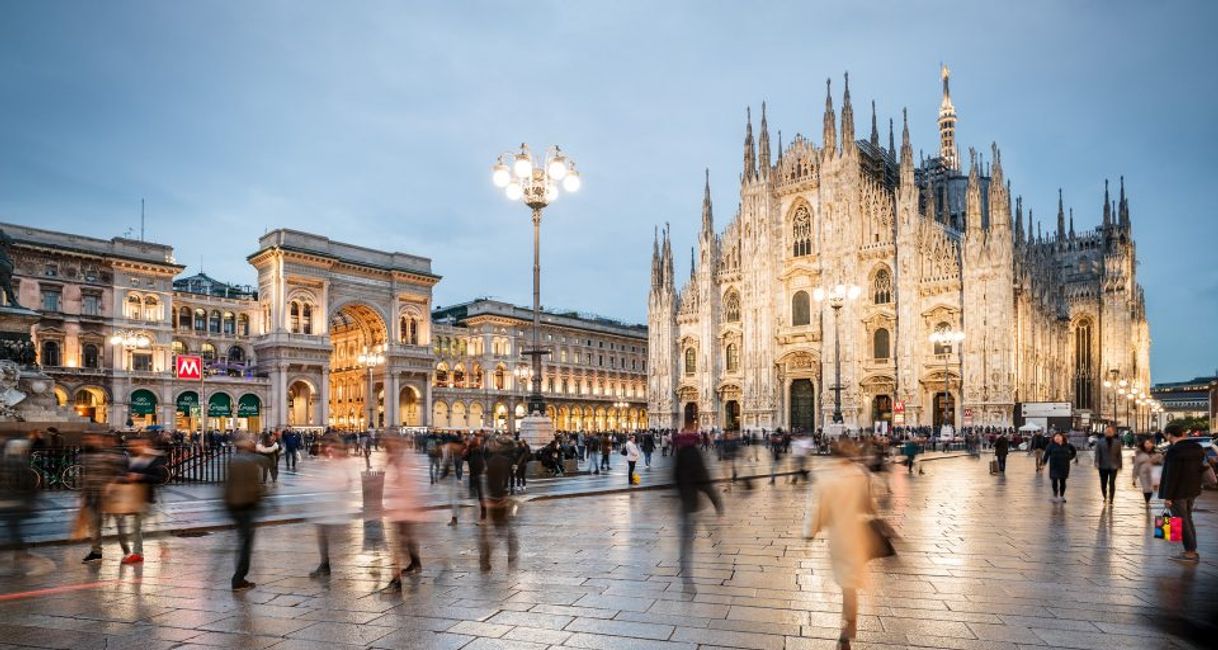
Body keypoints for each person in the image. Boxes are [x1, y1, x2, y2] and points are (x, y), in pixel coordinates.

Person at [804, 441, 877, 649]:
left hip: (839, 536)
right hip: (859, 533)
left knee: (845, 581)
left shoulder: (825, 477)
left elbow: (818, 509)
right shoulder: (861, 473)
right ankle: (850, 624)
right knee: (850, 583)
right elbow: (869, 505)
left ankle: (847, 626)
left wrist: (809, 534)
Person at [673, 428, 723, 592]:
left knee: (685, 543)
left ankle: (686, 578)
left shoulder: (679, 456)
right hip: (694, 504)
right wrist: (717, 503)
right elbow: (704, 481)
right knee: (694, 531)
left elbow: (675, 477)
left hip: (683, 505)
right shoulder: (695, 455)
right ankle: (716, 542)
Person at [224, 437, 270, 590]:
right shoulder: (249, 462)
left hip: (234, 506)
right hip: (246, 507)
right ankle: (238, 579)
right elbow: (255, 486)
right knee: (245, 545)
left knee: (242, 542)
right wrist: (262, 500)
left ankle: (239, 577)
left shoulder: (234, 461)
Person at [307, 439, 356, 577]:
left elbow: (346, 483)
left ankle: (325, 565)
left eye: (331, 447)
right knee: (322, 536)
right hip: (326, 508)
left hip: (333, 508)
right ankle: (324, 565)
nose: (328, 450)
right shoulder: (328, 462)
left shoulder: (342, 464)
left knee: (326, 537)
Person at [1158, 424, 1204, 562]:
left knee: (1181, 521)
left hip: (1177, 492)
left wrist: (1168, 496)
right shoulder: (1197, 448)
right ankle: (1191, 549)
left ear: (1170, 435)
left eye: (1167, 434)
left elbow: (1172, 475)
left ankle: (1190, 553)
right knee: (1188, 519)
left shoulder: (1174, 451)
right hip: (1193, 490)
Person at [117, 437, 166, 565]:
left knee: (137, 526)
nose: (133, 447)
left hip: (146, 498)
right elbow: (126, 474)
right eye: (132, 445)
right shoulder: (133, 459)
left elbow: (159, 478)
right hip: (134, 498)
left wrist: (140, 476)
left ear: (145, 444)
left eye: (136, 445)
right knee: (147, 525)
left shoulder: (153, 459)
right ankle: (162, 545)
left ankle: (138, 553)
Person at [79, 433, 126, 564]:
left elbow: (123, 473)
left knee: (120, 525)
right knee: (94, 525)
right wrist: (84, 494)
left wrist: (112, 483)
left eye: (92, 438)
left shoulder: (114, 455)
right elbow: (87, 476)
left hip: (111, 497)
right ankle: (96, 552)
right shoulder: (89, 455)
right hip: (93, 496)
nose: (89, 440)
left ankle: (127, 551)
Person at [383, 436, 422, 590]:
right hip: (403, 510)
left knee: (398, 543)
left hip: (405, 510)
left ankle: (396, 580)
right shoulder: (401, 463)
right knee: (405, 540)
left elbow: (409, 488)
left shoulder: (404, 464)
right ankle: (415, 562)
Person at [479, 436, 518, 571]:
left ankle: (486, 559)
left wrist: (492, 499)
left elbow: (493, 483)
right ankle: (509, 553)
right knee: (502, 529)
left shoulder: (495, 461)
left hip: (496, 500)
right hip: (499, 499)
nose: (492, 445)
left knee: (497, 530)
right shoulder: (505, 461)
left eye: (495, 443)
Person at [1, 439, 38, 563]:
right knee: (13, 527)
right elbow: (28, 484)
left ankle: (20, 551)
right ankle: (20, 551)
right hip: (15, 503)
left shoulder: (4, 461)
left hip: (4, 501)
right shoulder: (21, 463)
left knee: (12, 527)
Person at [1042, 432, 1077, 503]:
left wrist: (1069, 457)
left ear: (1062, 438)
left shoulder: (1068, 445)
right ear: (1054, 438)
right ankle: (1055, 495)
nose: (1057, 437)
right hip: (1054, 466)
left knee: (1062, 481)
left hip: (1064, 466)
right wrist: (1043, 464)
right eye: (1056, 436)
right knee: (1054, 481)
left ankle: (1061, 496)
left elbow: (1074, 452)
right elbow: (1046, 455)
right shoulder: (1050, 446)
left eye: (1059, 436)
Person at [1094, 426, 1124, 503]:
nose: (1109, 433)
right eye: (1107, 431)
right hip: (1103, 466)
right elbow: (1097, 453)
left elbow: (1119, 454)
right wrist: (1096, 462)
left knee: (1112, 482)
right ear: (1104, 432)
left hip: (1113, 466)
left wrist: (1120, 464)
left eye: (1110, 431)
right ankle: (1104, 495)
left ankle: (1111, 498)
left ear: (1113, 433)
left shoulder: (1117, 442)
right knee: (1103, 483)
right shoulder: (1100, 442)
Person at [1131, 438, 1163, 505]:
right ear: (1143, 444)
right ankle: (1147, 501)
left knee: (1153, 489)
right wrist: (1134, 478)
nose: (1148, 445)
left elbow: (1161, 462)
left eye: (1149, 443)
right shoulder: (1139, 453)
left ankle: (1150, 501)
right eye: (1146, 443)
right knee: (1146, 488)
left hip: (1154, 473)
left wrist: (1156, 461)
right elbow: (1136, 465)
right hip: (1143, 474)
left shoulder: (1157, 452)